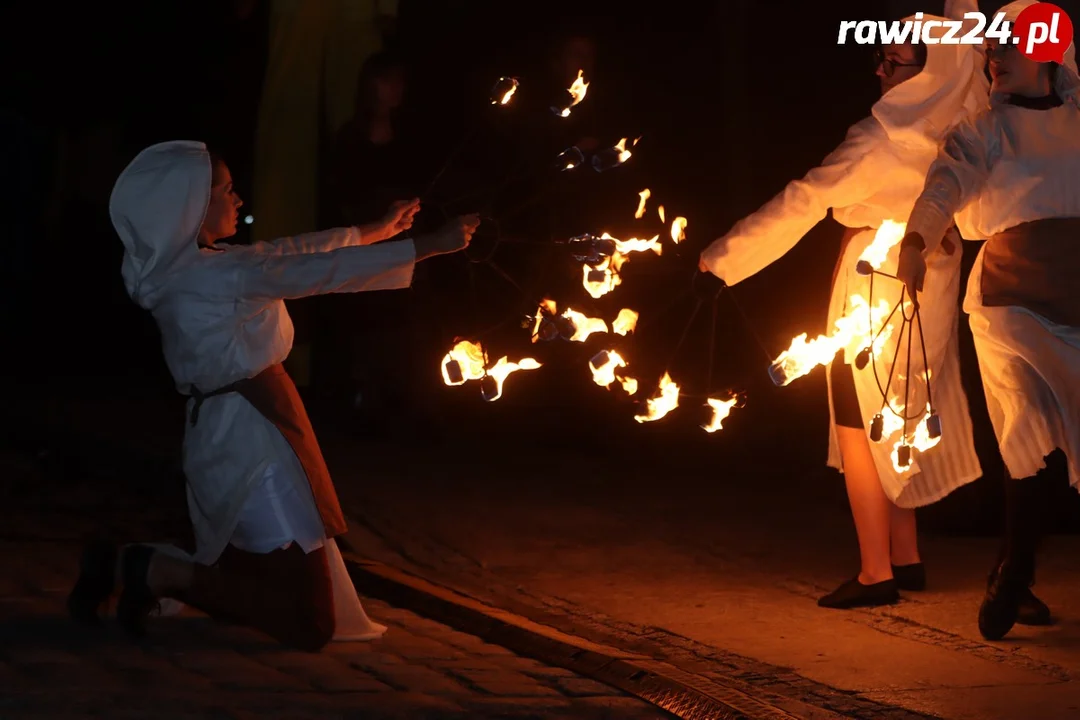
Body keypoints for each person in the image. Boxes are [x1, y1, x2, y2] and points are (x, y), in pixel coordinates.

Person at [67, 140, 479, 651]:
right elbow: (316, 273)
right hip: (256, 439)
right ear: (191, 207)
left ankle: (118, 564)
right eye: (226, 190)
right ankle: (157, 570)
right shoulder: (221, 275)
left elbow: (291, 253)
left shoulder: (192, 270)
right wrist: (428, 246)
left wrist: (377, 230)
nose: (238, 200)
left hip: (224, 431)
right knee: (307, 621)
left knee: (252, 569)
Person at [699, 6, 1009, 610]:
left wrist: (719, 262)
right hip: (933, 282)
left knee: (859, 420)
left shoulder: (879, 138)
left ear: (929, 72)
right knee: (901, 412)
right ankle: (905, 554)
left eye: (895, 63)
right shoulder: (969, 122)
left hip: (874, 287)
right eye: (880, 59)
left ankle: (876, 573)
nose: (881, 72)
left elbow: (804, 199)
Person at [897, 0, 1080, 640]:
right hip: (1009, 306)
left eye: (1007, 47)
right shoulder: (983, 129)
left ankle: (1016, 569)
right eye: (989, 49)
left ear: (1048, 55)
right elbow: (943, 185)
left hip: (1077, 304)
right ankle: (1016, 573)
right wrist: (917, 240)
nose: (993, 57)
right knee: (1025, 434)